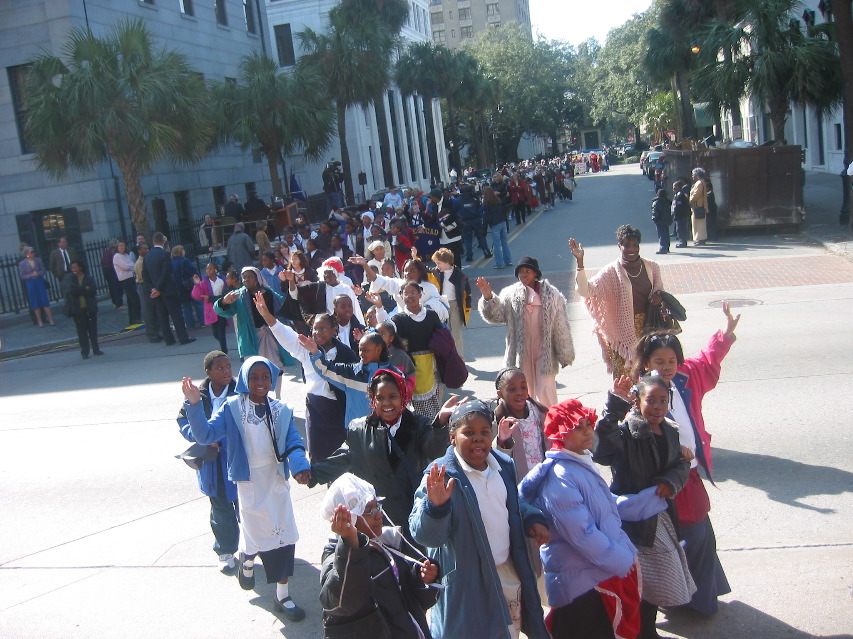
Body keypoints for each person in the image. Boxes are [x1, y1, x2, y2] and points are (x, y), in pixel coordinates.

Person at [519, 399, 663, 639]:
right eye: (578, 426)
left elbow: (606, 507)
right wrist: (622, 559)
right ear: (560, 434)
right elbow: (582, 534)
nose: (587, 430)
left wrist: (651, 499)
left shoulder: (579, 463)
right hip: (582, 586)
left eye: (588, 424)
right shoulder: (560, 477)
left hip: (594, 575)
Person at [181, 357, 311, 621]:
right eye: (254, 377)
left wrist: (300, 467)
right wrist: (195, 404)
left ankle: (282, 596)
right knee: (262, 533)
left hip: (276, 482)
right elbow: (205, 436)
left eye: (266, 377)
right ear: (244, 379)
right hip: (249, 483)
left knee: (285, 535)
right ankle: (248, 559)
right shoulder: (232, 408)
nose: (260, 383)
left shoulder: (282, 409)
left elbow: (294, 442)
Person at [409, 400, 552, 639]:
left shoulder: (502, 466)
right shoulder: (439, 476)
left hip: (506, 575)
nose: (478, 438)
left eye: (485, 432)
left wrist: (531, 518)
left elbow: (511, 504)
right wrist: (436, 507)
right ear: (452, 436)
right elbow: (425, 536)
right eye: (469, 432)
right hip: (468, 587)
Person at [632, 303, 740, 616]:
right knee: (690, 537)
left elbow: (707, 360)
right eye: (659, 361)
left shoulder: (685, 378)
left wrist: (726, 335)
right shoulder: (643, 394)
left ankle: (700, 595)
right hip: (664, 479)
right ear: (646, 363)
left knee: (699, 534)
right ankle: (690, 602)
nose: (666, 366)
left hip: (689, 476)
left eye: (671, 360)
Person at [593, 374, 695, 639]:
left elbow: (681, 465)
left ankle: (647, 630)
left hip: (661, 517)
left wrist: (669, 481)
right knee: (639, 580)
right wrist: (614, 405)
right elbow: (601, 451)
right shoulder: (628, 432)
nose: (658, 406)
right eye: (651, 400)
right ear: (637, 402)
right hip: (633, 522)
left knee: (653, 580)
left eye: (663, 400)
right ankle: (639, 632)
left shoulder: (671, 431)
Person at [310, 369, 456, 540]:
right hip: (375, 518)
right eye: (380, 398)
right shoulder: (359, 428)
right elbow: (345, 457)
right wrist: (312, 474)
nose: (386, 403)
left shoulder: (418, 424)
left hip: (410, 513)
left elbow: (434, 450)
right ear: (373, 399)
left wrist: (439, 424)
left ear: (403, 396)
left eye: (392, 396)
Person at [319, 473, 440, 638]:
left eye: (378, 507)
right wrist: (350, 544)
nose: (379, 514)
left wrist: (422, 578)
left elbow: (413, 600)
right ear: (349, 517)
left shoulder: (387, 543)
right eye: (369, 510)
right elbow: (343, 603)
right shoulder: (336, 558)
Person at [254, 296, 358, 461]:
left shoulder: (345, 353)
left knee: (342, 457)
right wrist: (266, 314)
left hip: (340, 411)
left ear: (334, 330)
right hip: (316, 409)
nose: (318, 333)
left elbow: (357, 380)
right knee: (319, 456)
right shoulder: (305, 349)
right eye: (315, 328)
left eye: (324, 328)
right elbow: (284, 333)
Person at [477, 256, 574, 408]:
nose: (523, 274)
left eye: (527, 271)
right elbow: (496, 316)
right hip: (520, 353)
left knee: (546, 390)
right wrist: (488, 297)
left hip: (544, 351)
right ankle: (526, 425)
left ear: (535, 273)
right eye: (521, 272)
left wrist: (565, 354)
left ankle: (549, 424)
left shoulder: (552, 295)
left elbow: (560, 326)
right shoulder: (510, 294)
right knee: (523, 391)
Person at [570, 226, 664, 378]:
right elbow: (586, 290)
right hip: (622, 333)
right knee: (625, 383)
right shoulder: (611, 271)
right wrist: (580, 262)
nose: (631, 249)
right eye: (626, 245)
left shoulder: (652, 267)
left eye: (635, 245)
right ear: (619, 246)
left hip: (649, 328)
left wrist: (658, 298)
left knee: (650, 381)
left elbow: (660, 292)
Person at [176, 351, 239, 573]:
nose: (226, 371)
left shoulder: (241, 391)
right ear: (208, 372)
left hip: (238, 460)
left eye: (228, 366)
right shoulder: (198, 396)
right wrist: (201, 438)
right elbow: (184, 421)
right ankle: (225, 550)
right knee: (220, 508)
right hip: (213, 464)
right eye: (220, 368)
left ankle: (255, 546)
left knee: (247, 506)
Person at [214, 266, 290, 397]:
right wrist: (224, 302)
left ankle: (278, 397)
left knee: (276, 367)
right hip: (250, 338)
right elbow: (221, 310)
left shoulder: (269, 293)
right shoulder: (239, 296)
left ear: (257, 279)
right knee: (254, 370)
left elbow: (284, 304)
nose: (246, 280)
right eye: (244, 278)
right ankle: (258, 398)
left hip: (271, 337)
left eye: (249, 277)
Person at [387, 281, 446, 419]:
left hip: (433, 365)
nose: (409, 296)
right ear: (401, 296)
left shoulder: (431, 315)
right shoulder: (398, 319)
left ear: (420, 294)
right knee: (421, 405)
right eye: (405, 293)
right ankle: (428, 429)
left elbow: (442, 338)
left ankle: (437, 426)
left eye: (413, 292)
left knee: (436, 399)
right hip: (412, 366)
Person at [492, 367, 549, 483]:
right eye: (512, 389)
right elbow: (497, 457)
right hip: (521, 481)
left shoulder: (538, 411)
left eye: (523, 387)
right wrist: (502, 439)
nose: (519, 392)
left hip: (545, 474)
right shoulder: (500, 421)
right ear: (500, 394)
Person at [357, 254, 449, 322]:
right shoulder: (398, 284)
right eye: (406, 271)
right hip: (404, 324)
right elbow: (376, 278)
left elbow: (440, 309)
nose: (408, 273)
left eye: (412, 271)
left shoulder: (430, 288)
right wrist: (365, 265)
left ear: (419, 272)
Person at [143, 233, 195, 346]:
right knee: (176, 315)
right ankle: (183, 337)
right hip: (167, 290)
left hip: (156, 293)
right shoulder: (165, 254)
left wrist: (153, 289)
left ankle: (169, 339)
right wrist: (158, 288)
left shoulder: (147, 256)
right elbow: (165, 273)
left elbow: (145, 275)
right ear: (162, 241)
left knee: (163, 317)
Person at [431, 248, 471, 359]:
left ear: (447, 262)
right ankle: (448, 358)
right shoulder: (436, 272)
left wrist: (467, 308)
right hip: (442, 305)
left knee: (456, 334)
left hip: (455, 305)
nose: (437, 266)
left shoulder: (460, 275)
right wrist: (415, 257)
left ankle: (459, 359)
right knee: (445, 333)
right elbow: (424, 271)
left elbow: (468, 293)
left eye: (439, 263)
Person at [61, 260, 100, 357]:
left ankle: (96, 349)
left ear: (80, 268)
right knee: (81, 331)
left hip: (89, 308)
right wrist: (84, 288)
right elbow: (71, 290)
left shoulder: (88, 278)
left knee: (93, 330)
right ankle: (85, 351)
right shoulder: (70, 278)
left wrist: (79, 290)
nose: (74, 270)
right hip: (78, 309)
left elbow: (93, 291)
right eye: (72, 268)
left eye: (75, 268)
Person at [192, 262, 229, 354]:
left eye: (210, 269)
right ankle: (223, 345)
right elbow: (197, 295)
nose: (208, 271)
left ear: (215, 270)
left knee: (221, 331)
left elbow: (225, 293)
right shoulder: (204, 282)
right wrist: (197, 284)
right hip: (211, 310)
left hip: (222, 307)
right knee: (215, 333)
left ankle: (224, 350)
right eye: (207, 269)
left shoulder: (222, 281)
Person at [18, 246, 55, 327]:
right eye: (31, 252)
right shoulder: (22, 263)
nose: (33, 253)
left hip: (39, 281)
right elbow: (22, 275)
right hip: (30, 283)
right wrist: (30, 275)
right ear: (27, 254)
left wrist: (38, 273)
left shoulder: (38, 260)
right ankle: (39, 320)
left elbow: (43, 270)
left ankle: (50, 318)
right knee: (34, 301)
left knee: (44, 299)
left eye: (33, 252)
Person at [135, 244, 163, 342]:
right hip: (143, 286)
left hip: (149, 285)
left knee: (154, 310)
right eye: (144, 249)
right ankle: (152, 334)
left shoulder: (147, 260)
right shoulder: (139, 263)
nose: (147, 250)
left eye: (147, 248)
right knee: (148, 311)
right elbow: (143, 276)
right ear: (139, 251)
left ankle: (158, 332)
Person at [171, 245, 204, 330]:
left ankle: (190, 325)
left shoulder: (171, 262)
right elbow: (194, 272)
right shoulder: (184, 261)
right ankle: (203, 321)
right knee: (198, 303)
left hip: (179, 287)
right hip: (190, 285)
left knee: (186, 306)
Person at [482, 186, 512, 270]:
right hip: (502, 222)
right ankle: (508, 260)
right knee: (505, 242)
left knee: (497, 244)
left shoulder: (486, 203)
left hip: (495, 224)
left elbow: (485, 217)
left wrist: (484, 229)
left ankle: (499, 263)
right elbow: (503, 212)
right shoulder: (498, 200)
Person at [113, 241, 142, 324]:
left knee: (130, 300)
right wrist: (130, 266)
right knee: (135, 298)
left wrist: (130, 266)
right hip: (124, 279)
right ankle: (137, 318)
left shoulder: (126, 255)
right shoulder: (117, 256)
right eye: (120, 246)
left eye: (123, 245)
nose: (122, 247)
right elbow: (125, 267)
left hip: (131, 277)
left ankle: (132, 319)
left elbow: (133, 264)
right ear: (117, 248)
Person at [101, 239, 123, 308]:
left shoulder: (106, 252)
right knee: (117, 287)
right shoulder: (113, 252)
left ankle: (114, 302)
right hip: (112, 270)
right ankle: (118, 303)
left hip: (106, 270)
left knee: (111, 287)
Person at [689, 168, 709, 246]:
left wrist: (690, 200)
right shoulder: (700, 182)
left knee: (699, 224)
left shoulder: (699, 183)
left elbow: (696, 194)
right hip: (698, 206)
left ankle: (700, 239)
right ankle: (699, 238)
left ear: (697, 175)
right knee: (697, 223)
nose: (692, 177)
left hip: (698, 206)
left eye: (693, 175)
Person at [651, 189, 672, 255]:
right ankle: (667, 247)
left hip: (660, 220)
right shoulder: (667, 201)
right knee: (666, 233)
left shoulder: (656, 202)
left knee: (661, 234)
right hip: (666, 220)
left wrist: (654, 218)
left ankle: (663, 248)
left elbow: (655, 212)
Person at [671, 179, 691, 248]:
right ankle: (682, 241)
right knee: (680, 229)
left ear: (677, 187)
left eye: (674, 186)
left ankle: (682, 242)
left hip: (681, 216)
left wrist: (676, 215)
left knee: (681, 229)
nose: (673, 188)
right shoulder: (678, 194)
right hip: (681, 215)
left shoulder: (680, 195)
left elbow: (678, 207)